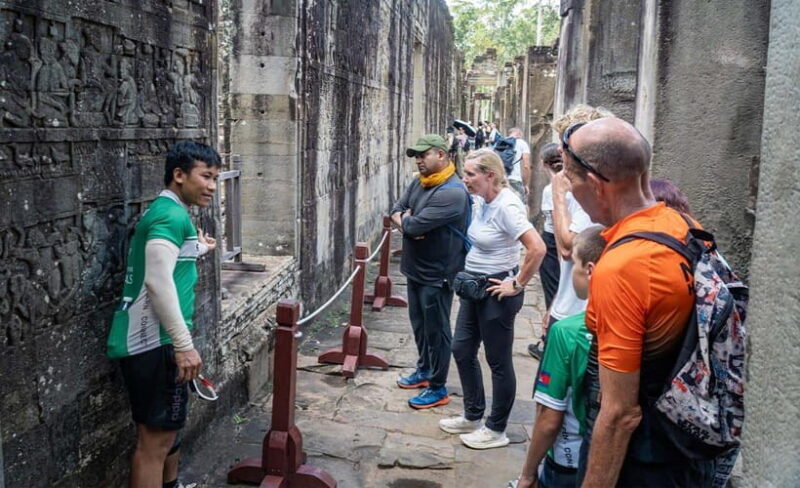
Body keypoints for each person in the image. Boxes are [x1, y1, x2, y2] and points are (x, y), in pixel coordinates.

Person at [563, 117, 716, 486]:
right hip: (685, 442)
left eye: (571, 180)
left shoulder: (622, 267)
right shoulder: (681, 224)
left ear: (597, 185)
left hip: (642, 457)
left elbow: (620, 415)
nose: (570, 191)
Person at [107, 141, 221, 488]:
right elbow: (157, 281)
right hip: (155, 341)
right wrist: (184, 345)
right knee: (154, 444)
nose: (213, 187)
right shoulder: (170, 216)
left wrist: (200, 247)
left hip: (161, 339)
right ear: (178, 175)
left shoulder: (170, 214)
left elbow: (167, 262)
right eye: (206, 176)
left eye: (215, 178)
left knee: (169, 434)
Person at [439, 148, 546, 449]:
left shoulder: (507, 206)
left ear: (491, 176)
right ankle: (473, 414)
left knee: (498, 361)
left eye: (471, 174)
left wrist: (517, 283)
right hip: (474, 288)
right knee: (461, 348)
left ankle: (496, 428)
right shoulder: (481, 201)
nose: (465, 179)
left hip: (496, 292)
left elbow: (537, 248)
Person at [513, 225, 606, 488]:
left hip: (569, 458)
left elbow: (549, 417)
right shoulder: (638, 323)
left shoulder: (568, 331)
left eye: (572, 265)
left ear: (589, 271)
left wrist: (529, 472)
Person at [391, 134, 471, 409]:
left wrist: (408, 222)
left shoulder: (452, 192)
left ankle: (438, 386)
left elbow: (410, 226)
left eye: (423, 155)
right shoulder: (420, 182)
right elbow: (396, 209)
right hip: (415, 269)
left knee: (437, 331)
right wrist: (408, 220)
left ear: (441, 154)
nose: (418, 160)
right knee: (420, 327)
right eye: (416, 155)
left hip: (438, 273)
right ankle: (424, 370)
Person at [528, 106, 611, 360]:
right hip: (568, 306)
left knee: (556, 396)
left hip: (580, 317)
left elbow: (568, 249)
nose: (560, 155)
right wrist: (554, 305)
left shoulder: (588, 192)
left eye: (565, 148)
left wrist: (557, 195)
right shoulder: (578, 187)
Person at [535, 143, 563, 312]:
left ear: (543, 164)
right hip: (567, 241)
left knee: (553, 294)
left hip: (554, 244)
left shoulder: (551, 189)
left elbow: (557, 223)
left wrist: (562, 258)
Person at [506, 127, 530, 203]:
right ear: (519, 134)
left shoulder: (501, 142)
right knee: (520, 206)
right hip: (515, 179)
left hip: (501, 180)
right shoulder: (522, 143)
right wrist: (526, 184)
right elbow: (526, 165)